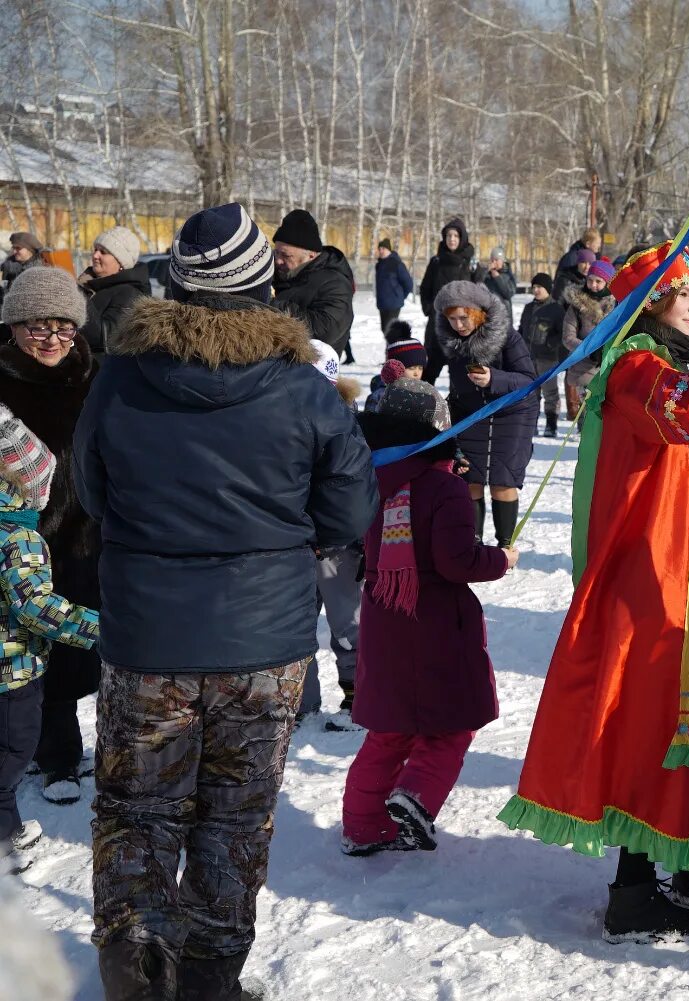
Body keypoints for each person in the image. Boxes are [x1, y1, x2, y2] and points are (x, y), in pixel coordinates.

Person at [75, 202, 378, 999]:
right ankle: (209, 982)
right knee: (234, 819)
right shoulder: (305, 390)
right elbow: (349, 510)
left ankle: (141, 977)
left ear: (179, 285)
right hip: (263, 645)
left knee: (137, 811)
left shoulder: (120, 376)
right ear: (259, 285)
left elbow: (91, 490)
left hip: (149, 640)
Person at [499, 244, 689, 944]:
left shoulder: (675, 372)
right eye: (684, 292)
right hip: (652, 584)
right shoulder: (632, 372)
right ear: (652, 301)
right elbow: (686, 418)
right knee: (652, 730)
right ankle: (633, 888)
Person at [342, 375, 515, 856]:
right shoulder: (444, 487)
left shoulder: (368, 480)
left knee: (388, 731)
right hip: (436, 624)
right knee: (452, 722)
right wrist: (502, 559)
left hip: (384, 617)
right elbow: (456, 560)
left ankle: (361, 828)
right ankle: (414, 799)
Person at [0, 267, 101, 806]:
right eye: (38, 327)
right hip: (18, 544)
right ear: (13, 326)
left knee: (105, 644)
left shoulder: (97, 378)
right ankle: (57, 757)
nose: (53, 340)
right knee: (41, 660)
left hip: (92, 537)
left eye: (63, 327)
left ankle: (121, 753)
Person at [0, 408, 98, 876]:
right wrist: (96, 626)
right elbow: (34, 607)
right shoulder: (19, 538)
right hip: (11, 670)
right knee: (14, 750)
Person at [433, 281, 537, 547]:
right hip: (471, 415)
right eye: (452, 319)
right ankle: (473, 542)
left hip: (511, 415)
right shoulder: (451, 342)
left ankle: (505, 545)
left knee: (502, 480)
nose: (458, 325)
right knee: (471, 478)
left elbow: (528, 381)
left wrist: (494, 378)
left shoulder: (508, 337)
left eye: (463, 318)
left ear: (477, 313)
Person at [299, 342, 367, 732]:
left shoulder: (346, 421)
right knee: (295, 626)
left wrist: (348, 534)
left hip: (337, 545)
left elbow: (355, 489)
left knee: (348, 624)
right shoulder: (278, 416)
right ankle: (299, 701)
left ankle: (358, 697)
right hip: (293, 541)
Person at [269, 209, 356, 362]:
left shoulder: (335, 283)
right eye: (276, 253)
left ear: (311, 255)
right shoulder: (280, 273)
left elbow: (324, 330)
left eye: (286, 255)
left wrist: (269, 304)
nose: (278, 261)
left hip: (312, 375)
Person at [419, 217, 478, 386]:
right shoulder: (436, 261)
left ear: (462, 238)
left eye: (456, 236)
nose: (452, 239)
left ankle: (457, 410)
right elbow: (425, 288)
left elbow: (479, 291)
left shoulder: (471, 263)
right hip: (437, 325)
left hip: (462, 327)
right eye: (449, 235)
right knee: (428, 373)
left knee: (460, 375)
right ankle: (424, 407)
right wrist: (429, 309)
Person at [77, 228, 150, 354]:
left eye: (103, 252)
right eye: (95, 249)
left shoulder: (130, 294)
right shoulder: (91, 284)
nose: (95, 255)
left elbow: (105, 339)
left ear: (121, 261)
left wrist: (78, 296)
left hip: (98, 370)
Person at [560, 260, 616, 421]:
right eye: (590, 280)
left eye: (598, 281)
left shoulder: (617, 306)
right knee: (588, 421)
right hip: (583, 369)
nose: (593, 285)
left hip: (610, 369)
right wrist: (590, 350)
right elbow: (568, 338)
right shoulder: (576, 306)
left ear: (607, 282)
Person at [519, 272, 566, 437]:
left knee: (550, 393)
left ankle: (551, 425)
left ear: (548, 288)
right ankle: (532, 424)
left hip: (548, 358)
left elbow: (562, 334)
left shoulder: (556, 309)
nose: (536, 290)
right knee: (532, 393)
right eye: (534, 287)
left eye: (540, 287)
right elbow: (521, 329)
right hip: (529, 357)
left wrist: (550, 344)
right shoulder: (528, 308)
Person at [374, 238, 414, 335]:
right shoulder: (379, 265)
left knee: (390, 330)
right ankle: (391, 349)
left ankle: (392, 349)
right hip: (382, 304)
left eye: (383, 248)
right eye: (379, 249)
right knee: (384, 329)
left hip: (394, 304)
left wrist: (400, 296)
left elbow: (408, 283)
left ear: (389, 250)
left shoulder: (396, 264)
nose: (381, 251)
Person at [1, 233, 43, 299]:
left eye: (18, 248)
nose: (14, 251)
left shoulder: (38, 272)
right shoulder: (9, 266)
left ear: (30, 250)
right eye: (13, 247)